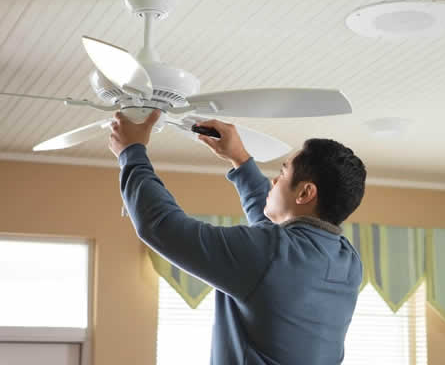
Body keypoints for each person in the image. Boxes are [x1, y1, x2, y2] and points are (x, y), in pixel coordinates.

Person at [109, 109, 367, 365]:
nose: (274, 181)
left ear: (305, 193)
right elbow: (272, 241)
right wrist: (240, 159)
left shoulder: (270, 253)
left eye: (283, 173)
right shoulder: (348, 262)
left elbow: (162, 226)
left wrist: (132, 153)